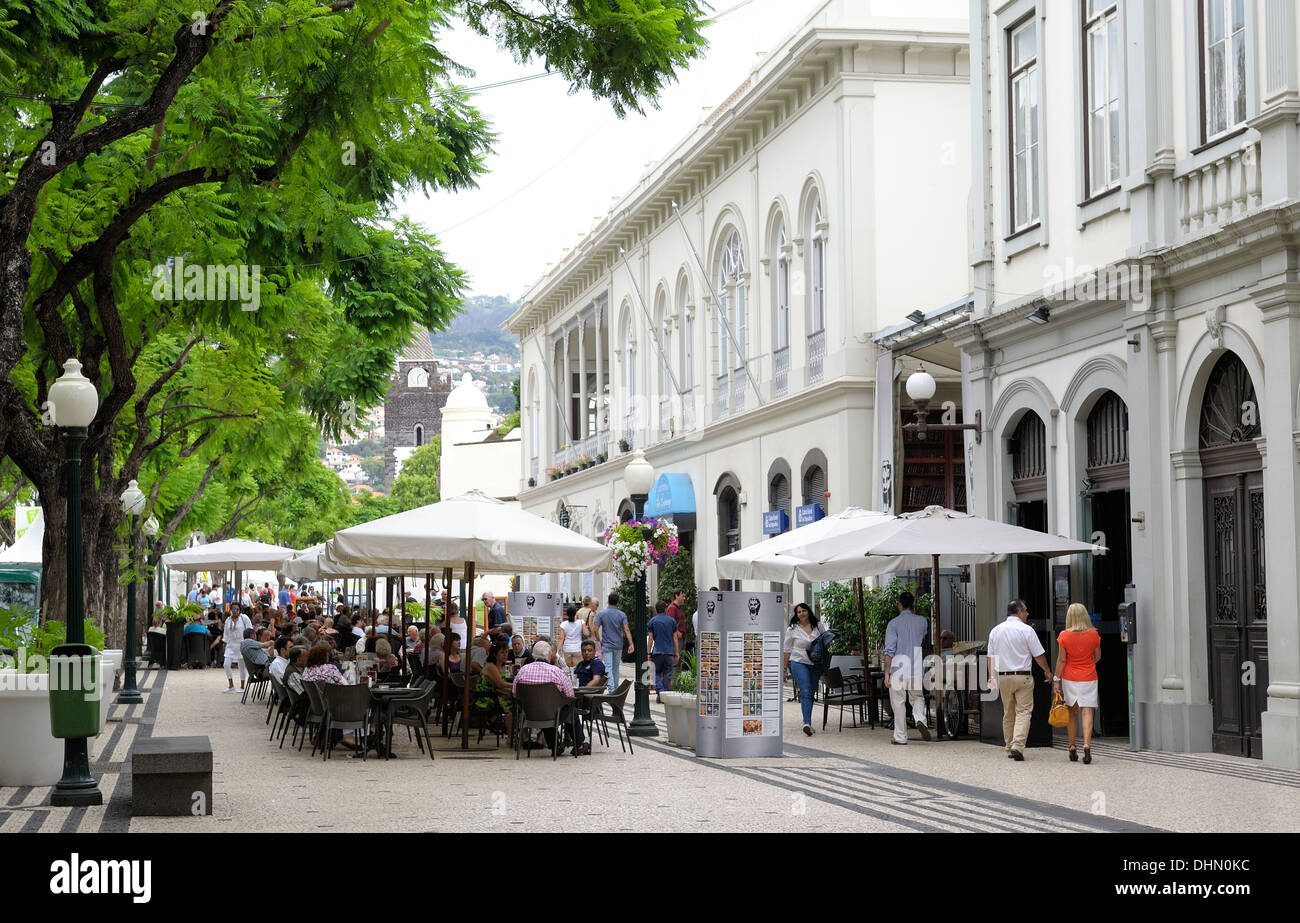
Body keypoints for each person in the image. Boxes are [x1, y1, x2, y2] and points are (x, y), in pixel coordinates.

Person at [986, 599, 1054, 761]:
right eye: (1025, 610)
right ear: (1019, 612)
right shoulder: (1026, 630)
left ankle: (1009, 746)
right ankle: (1018, 745)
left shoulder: (995, 630)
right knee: (1023, 712)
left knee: (1008, 712)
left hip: (1003, 677)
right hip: (1023, 676)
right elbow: (1038, 655)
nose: (1027, 613)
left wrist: (991, 677)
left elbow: (990, 658)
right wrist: (1047, 671)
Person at [512, 640, 586, 755]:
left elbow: (515, 694)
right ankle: (579, 744)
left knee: (544, 707)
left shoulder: (522, 671)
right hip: (552, 714)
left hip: (530, 713)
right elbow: (570, 695)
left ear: (533, 655)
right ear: (549, 655)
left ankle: (554, 745)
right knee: (568, 710)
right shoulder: (556, 672)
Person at [1054, 603, 1102, 764]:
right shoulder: (1094, 634)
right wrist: (1087, 664)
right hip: (1088, 676)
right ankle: (1087, 745)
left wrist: (1056, 679)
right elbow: (1098, 656)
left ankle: (1072, 746)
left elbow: (1061, 660)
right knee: (1086, 710)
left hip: (1069, 677)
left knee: (1071, 712)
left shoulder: (1064, 635)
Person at [883, 591, 930, 744]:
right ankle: (920, 718)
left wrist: (886, 674)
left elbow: (889, 650)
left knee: (898, 702)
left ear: (900, 605)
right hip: (916, 667)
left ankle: (901, 737)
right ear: (913, 606)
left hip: (898, 667)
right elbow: (921, 637)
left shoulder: (893, 623)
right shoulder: (922, 621)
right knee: (917, 697)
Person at [781, 602, 824, 736]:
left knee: (810, 692)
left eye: (803, 611)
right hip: (798, 661)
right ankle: (806, 722)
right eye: (798, 612)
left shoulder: (818, 625)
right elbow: (787, 650)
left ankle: (808, 723)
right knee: (805, 690)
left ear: (808, 611)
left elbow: (826, 642)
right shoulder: (792, 629)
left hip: (815, 663)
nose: (801, 614)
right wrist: (784, 669)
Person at [473, 641, 515, 739]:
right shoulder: (491, 666)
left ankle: (498, 725)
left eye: (506, 652)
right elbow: (500, 684)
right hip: (486, 698)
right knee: (511, 708)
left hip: (495, 694)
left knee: (516, 703)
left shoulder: (501, 666)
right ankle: (510, 737)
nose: (505, 655)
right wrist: (515, 685)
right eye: (502, 652)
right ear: (495, 654)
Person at [594, 592, 633, 692]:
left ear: (608, 601)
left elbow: (595, 629)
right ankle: (615, 687)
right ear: (617, 602)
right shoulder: (622, 614)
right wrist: (631, 643)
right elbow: (626, 629)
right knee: (616, 668)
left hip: (606, 644)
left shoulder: (601, 614)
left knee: (608, 667)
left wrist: (598, 639)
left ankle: (611, 688)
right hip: (618, 645)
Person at [647, 600, 679, 702]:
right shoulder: (672, 621)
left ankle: (660, 691)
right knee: (667, 673)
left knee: (655, 672)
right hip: (669, 652)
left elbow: (651, 639)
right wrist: (677, 652)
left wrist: (648, 653)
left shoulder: (652, 621)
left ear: (656, 610)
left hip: (657, 652)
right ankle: (665, 693)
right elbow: (675, 638)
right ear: (665, 609)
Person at [221, 606, 253, 693]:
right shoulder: (228, 620)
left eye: (237, 609)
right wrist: (225, 644)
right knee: (226, 664)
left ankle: (242, 686)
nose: (235, 611)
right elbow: (226, 634)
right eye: (233, 609)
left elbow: (250, 630)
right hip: (230, 644)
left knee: (241, 666)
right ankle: (231, 685)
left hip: (241, 644)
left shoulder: (244, 618)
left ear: (240, 610)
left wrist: (249, 643)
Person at [557, 603, 588, 668]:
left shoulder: (563, 624)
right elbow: (586, 633)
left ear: (567, 614)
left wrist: (557, 650)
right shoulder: (581, 622)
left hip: (567, 649)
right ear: (575, 613)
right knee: (577, 668)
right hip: (578, 648)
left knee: (568, 669)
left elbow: (561, 638)